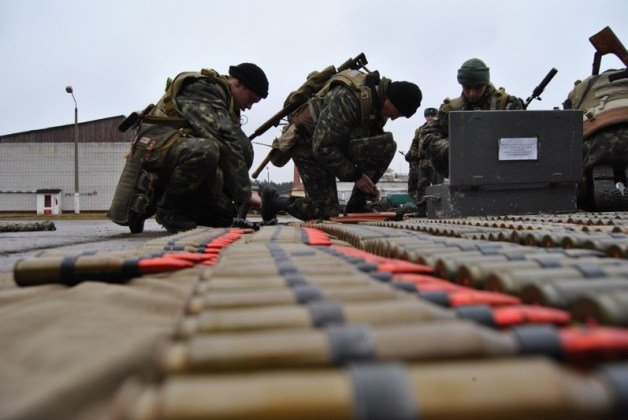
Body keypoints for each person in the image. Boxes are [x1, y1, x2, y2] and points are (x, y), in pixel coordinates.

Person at [112, 63, 269, 232]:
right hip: (157, 149)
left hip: (178, 150)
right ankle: (168, 209)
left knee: (224, 216)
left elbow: (237, 147)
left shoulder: (227, 103)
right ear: (237, 83)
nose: (249, 107)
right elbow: (224, 139)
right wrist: (246, 193)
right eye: (251, 99)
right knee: (206, 150)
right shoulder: (205, 89)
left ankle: (188, 207)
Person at [260, 69, 422, 221]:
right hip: (308, 146)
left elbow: (371, 147)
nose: (394, 118)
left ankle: (357, 204)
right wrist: (356, 176)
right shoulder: (347, 98)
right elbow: (322, 147)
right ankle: (274, 201)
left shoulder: (378, 107)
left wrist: (367, 186)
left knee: (387, 145)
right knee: (325, 212)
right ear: (391, 100)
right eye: (397, 113)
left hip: (335, 144)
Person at [421, 58, 524, 178]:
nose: (472, 93)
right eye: (467, 88)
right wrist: (451, 149)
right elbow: (427, 136)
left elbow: (522, 139)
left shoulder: (506, 104)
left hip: (502, 175)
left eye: (477, 88)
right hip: (463, 175)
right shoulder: (451, 108)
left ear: (486, 84)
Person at [564, 67, 628, 211]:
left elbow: (568, 117)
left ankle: (593, 191)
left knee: (587, 187)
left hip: (598, 142)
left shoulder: (584, 86)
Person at [405, 107, 441, 216]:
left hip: (436, 162)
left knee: (438, 186)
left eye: (432, 116)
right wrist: (414, 153)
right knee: (421, 186)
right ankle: (421, 210)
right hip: (423, 162)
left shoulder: (441, 127)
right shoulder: (420, 129)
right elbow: (414, 143)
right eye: (428, 116)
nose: (430, 118)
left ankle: (439, 209)